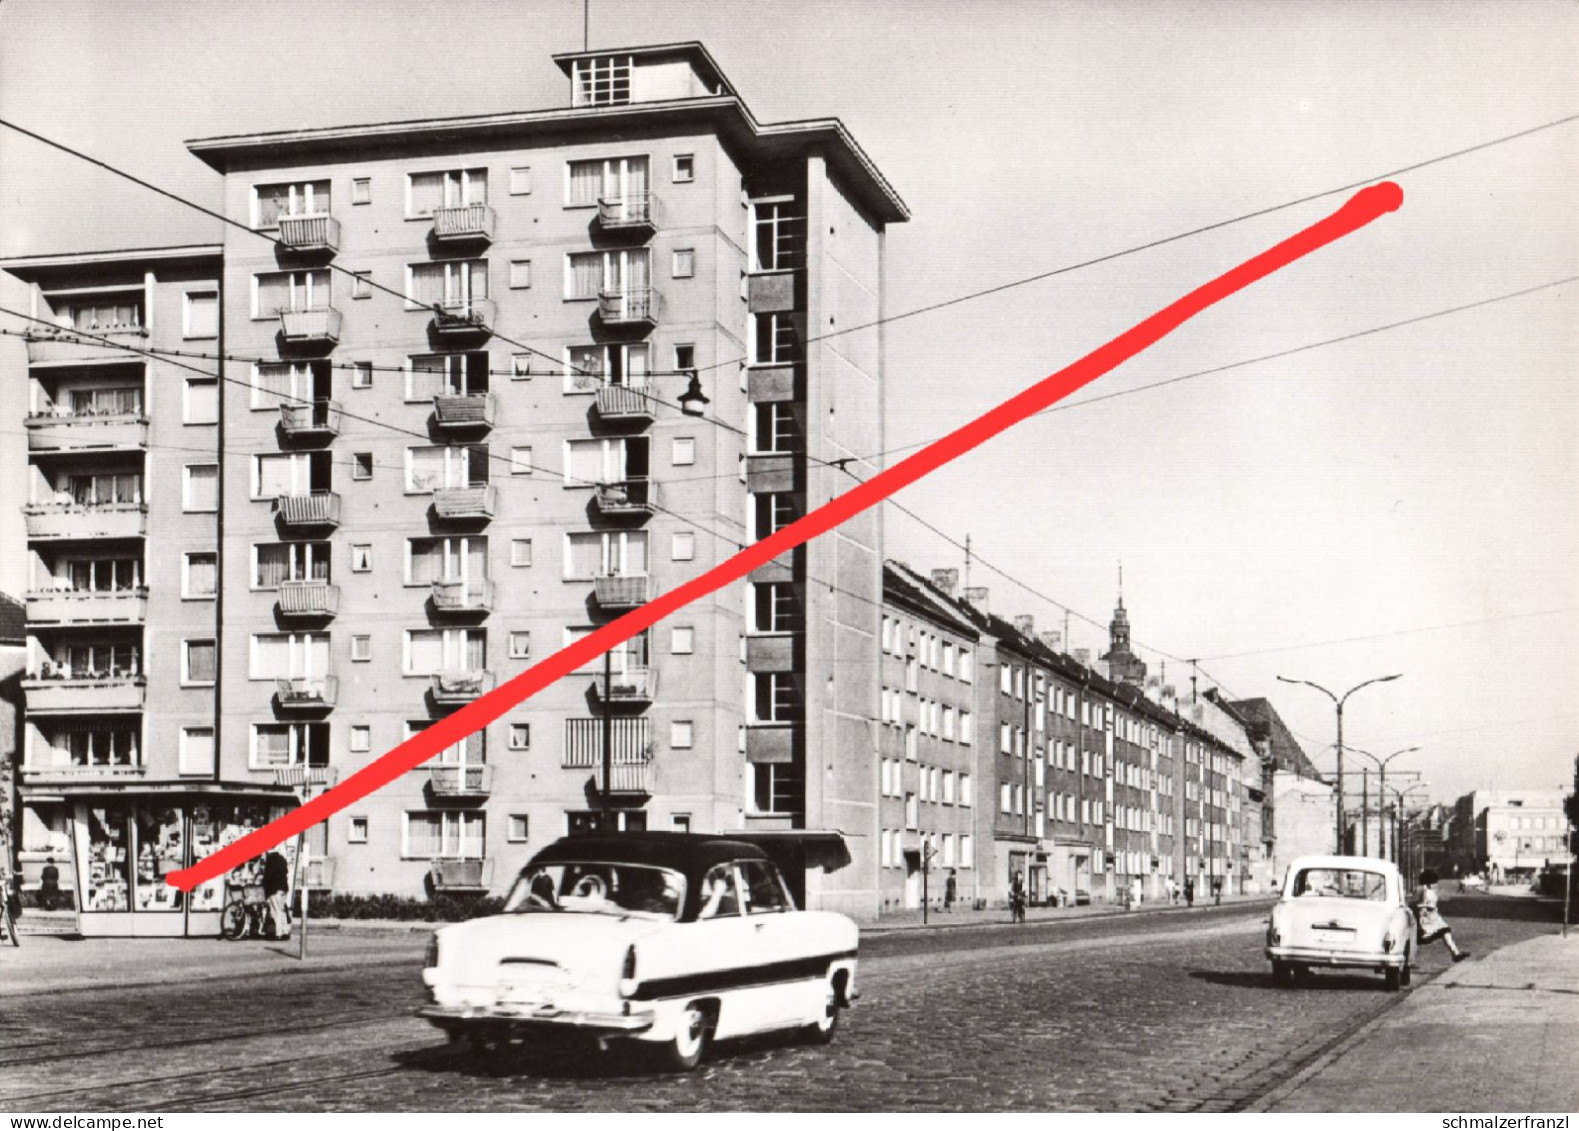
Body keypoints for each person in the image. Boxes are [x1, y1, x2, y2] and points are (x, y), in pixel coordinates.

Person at [1414, 869, 1469, 963]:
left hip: (1434, 919)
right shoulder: (1422, 890)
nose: (1435, 885)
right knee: (1418, 939)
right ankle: (1409, 959)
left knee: (1445, 931)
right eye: (1433, 882)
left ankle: (1455, 953)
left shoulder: (1429, 891)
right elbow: (1414, 903)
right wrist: (1423, 907)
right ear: (1428, 882)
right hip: (1425, 920)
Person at [262, 850, 291, 940]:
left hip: (274, 889)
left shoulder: (270, 860)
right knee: (282, 911)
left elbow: (268, 876)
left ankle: (278, 933)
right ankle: (286, 931)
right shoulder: (282, 859)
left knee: (276, 911)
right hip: (284, 888)